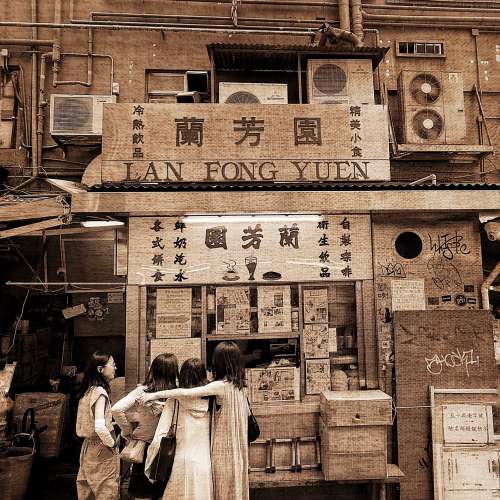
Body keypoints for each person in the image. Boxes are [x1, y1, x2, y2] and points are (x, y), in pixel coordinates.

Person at [139, 341, 249, 500]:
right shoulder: (227, 394)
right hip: (207, 463)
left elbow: (185, 395)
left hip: (181, 463)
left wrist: (154, 395)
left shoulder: (214, 389)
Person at [112, 353, 178, 500]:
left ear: (153, 369)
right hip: (169, 449)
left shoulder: (142, 391)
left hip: (144, 448)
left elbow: (116, 409)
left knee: (142, 494)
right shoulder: (176, 393)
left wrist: (127, 431)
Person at [144, 358, 213, 500]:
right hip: (205, 464)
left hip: (180, 462)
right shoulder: (212, 401)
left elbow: (160, 436)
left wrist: (149, 465)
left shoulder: (174, 400)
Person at [76, 351, 119, 500]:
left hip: (88, 447)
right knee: (106, 491)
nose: (115, 368)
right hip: (102, 448)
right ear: (100, 369)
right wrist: (112, 443)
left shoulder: (88, 390)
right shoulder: (100, 392)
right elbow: (99, 426)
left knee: (87, 490)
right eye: (112, 365)